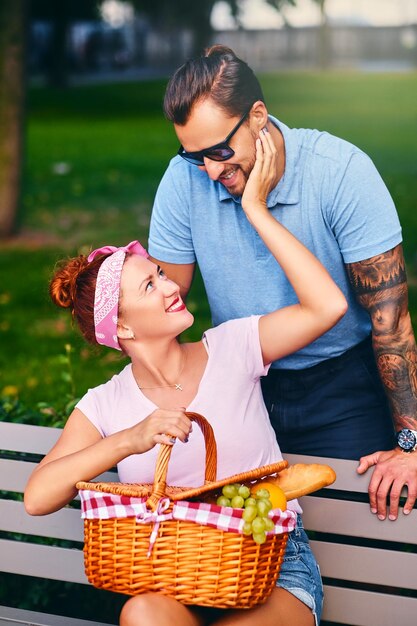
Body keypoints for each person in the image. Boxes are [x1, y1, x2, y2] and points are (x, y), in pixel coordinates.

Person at [25, 131, 347, 626]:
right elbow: (37, 496)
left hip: (272, 572)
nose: (171, 285)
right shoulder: (106, 405)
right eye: (150, 284)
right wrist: (129, 440)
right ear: (123, 327)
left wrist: (256, 211)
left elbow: (328, 306)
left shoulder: (234, 348)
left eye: (160, 272)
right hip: (173, 576)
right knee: (141, 613)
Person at [148, 44, 417, 523]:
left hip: (340, 387)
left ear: (257, 116)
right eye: (194, 157)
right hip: (240, 383)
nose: (210, 171)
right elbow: (161, 306)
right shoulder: (182, 180)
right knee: (239, 546)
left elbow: (391, 323)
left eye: (219, 151)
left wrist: (411, 445)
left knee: (359, 534)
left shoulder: (340, 172)